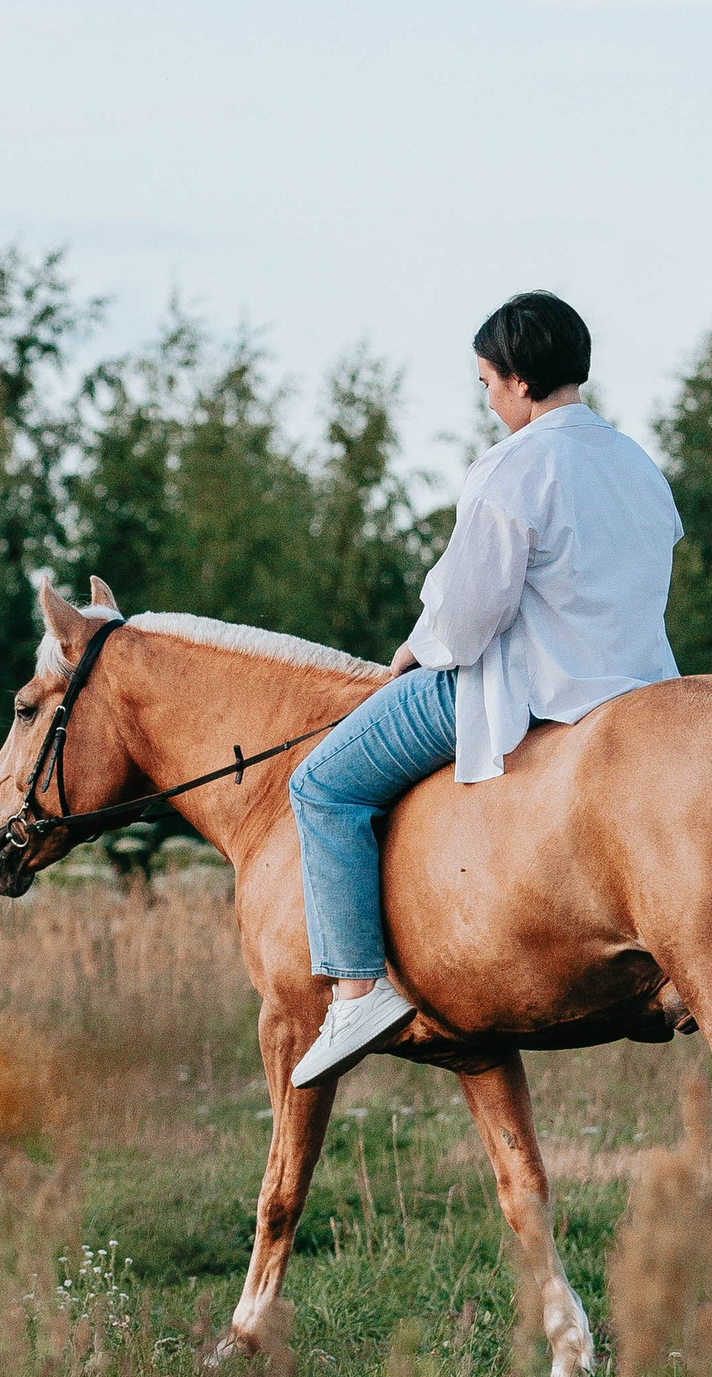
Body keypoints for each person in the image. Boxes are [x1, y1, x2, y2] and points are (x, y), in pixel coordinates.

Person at [289, 290, 683, 1087]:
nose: (489, 400)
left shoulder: (514, 466)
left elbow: (468, 619)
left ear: (519, 379)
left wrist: (413, 648)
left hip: (530, 691)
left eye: (488, 383)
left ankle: (356, 991)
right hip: (640, 698)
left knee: (322, 783)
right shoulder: (639, 467)